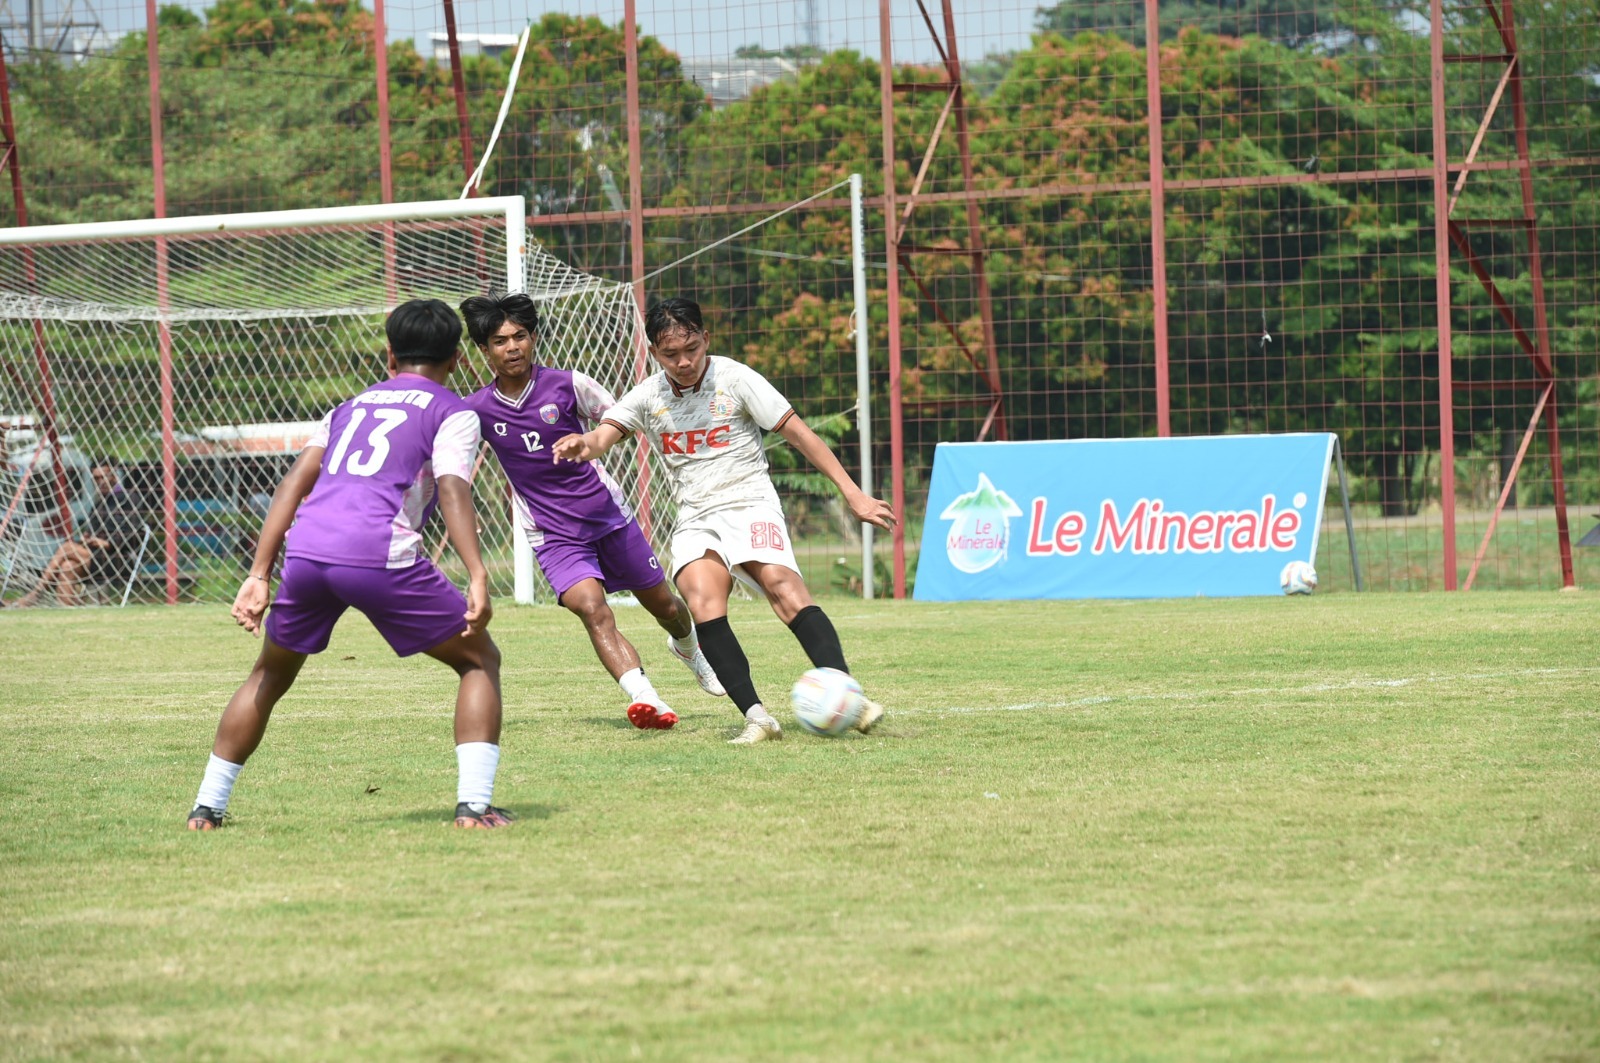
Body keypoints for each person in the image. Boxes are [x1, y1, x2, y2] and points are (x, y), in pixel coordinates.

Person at [185, 298, 512, 831]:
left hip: (309, 550)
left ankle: (207, 808)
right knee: (478, 661)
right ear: (456, 358)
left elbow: (294, 483)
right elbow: (453, 487)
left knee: (269, 674)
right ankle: (475, 807)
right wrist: (477, 573)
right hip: (377, 553)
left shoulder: (349, 407)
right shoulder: (453, 411)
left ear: (390, 354)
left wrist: (258, 573)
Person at [552, 297, 897, 745]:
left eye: (692, 348)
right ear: (655, 353)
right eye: (671, 354)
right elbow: (603, 436)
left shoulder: (735, 379)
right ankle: (758, 718)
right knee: (702, 601)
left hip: (750, 502)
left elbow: (800, 434)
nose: (684, 361)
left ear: (705, 339)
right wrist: (584, 444)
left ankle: (848, 695)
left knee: (783, 588)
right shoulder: (647, 396)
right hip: (696, 516)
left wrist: (853, 494)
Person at [459, 293, 724, 731]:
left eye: (520, 336)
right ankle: (646, 698)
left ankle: (689, 649)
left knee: (664, 605)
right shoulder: (475, 409)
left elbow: (618, 419)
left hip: (607, 516)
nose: (512, 347)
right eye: (500, 340)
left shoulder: (567, 384)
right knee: (592, 608)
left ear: (533, 338)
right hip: (552, 533)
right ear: (484, 350)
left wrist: (589, 441)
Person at [9, 462, 146, 607]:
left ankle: (36, 594)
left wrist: (109, 543)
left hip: (118, 559)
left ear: (114, 475)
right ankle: (68, 615)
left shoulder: (130, 498)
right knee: (67, 566)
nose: (100, 482)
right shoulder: (99, 505)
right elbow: (93, 532)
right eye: (96, 478)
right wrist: (87, 538)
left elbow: (135, 532)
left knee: (67, 548)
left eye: (103, 477)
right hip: (94, 558)